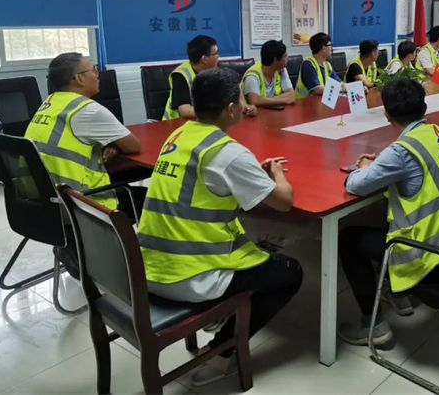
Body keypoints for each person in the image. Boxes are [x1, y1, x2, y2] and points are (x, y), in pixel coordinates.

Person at [138, 68, 303, 387]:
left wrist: (248, 174)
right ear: (230, 108)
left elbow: (205, 185)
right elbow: (284, 201)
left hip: (149, 267)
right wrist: (277, 175)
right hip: (190, 275)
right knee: (290, 273)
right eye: (240, 99)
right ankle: (222, 351)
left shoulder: (178, 136)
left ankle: (223, 315)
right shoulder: (229, 152)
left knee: (255, 249)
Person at [338, 79, 439, 346]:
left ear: (386, 114)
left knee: (349, 239)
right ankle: (399, 295)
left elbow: (355, 185)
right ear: (424, 108)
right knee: (392, 215)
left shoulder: (401, 152)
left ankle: (374, 324)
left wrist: (365, 167)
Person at [26, 53, 143, 277]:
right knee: (149, 200)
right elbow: (133, 145)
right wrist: (114, 142)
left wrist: (109, 141)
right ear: (79, 78)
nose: (98, 75)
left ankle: (78, 247)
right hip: (80, 202)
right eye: (93, 70)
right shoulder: (87, 110)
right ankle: (139, 266)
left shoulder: (50, 103)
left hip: (45, 202)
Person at [164, 35, 256, 120]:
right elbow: (184, 110)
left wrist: (245, 106)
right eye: (216, 53)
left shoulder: (216, 71)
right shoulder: (181, 75)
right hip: (175, 125)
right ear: (204, 59)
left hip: (204, 122)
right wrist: (215, 113)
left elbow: (234, 93)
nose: (218, 56)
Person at [242, 40, 295, 107]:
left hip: (274, 110)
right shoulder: (252, 75)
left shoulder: (281, 70)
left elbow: (291, 94)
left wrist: (264, 100)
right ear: (275, 60)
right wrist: (283, 100)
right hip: (255, 112)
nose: (287, 57)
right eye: (285, 56)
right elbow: (254, 101)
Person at [294, 32, 343, 98]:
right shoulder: (308, 65)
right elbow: (317, 89)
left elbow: (339, 83)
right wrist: (339, 89)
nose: (331, 48)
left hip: (319, 101)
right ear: (324, 48)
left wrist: (349, 87)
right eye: (330, 45)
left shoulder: (327, 65)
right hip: (304, 102)